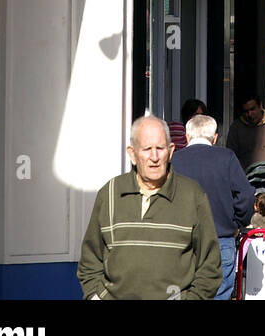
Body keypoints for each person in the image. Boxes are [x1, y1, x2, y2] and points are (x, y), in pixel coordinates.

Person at [77, 115, 222, 301]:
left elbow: (210, 266)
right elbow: (90, 261)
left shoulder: (192, 195)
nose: (154, 157)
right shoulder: (110, 193)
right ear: (132, 154)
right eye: (147, 149)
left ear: (170, 152)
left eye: (160, 148)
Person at [170, 113, 255, 301]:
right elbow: (246, 195)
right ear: (215, 137)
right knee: (219, 293)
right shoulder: (227, 158)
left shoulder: (174, 161)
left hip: (182, 240)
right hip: (221, 238)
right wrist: (238, 222)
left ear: (187, 136)